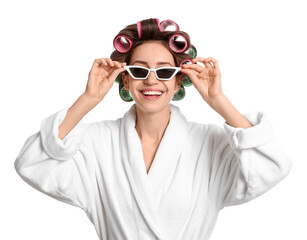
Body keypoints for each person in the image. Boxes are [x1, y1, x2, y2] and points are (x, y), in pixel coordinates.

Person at [14, 18, 292, 240]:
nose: (151, 80)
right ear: (124, 80)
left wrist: (219, 102)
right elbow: (32, 164)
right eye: (138, 70)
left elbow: (270, 168)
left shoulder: (211, 143)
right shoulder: (96, 143)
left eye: (164, 71)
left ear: (178, 80)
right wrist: (87, 100)